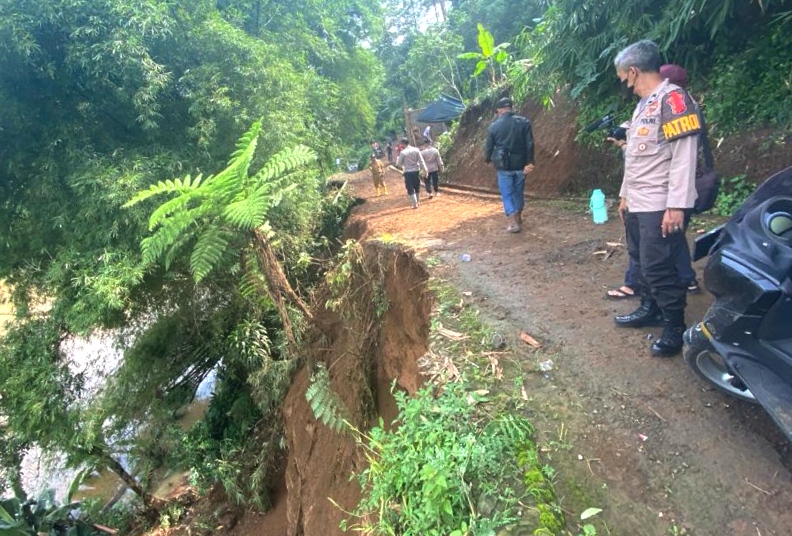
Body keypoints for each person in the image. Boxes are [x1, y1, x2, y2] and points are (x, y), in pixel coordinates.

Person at [610, 40, 701, 357]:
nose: (624, 84)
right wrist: (624, 195)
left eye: (623, 77)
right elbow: (636, 157)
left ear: (633, 71)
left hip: (661, 205)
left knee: (660, 266)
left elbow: (684, 157)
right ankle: (650, 308)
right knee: (641, 261)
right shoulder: (643, 105)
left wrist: (676, 205)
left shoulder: (674, 100)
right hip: (637, 202)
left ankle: (675, 325)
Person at [484, 97, 535, 233]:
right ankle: (518, 216)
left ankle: (512, 222)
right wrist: (530, 162)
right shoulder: (524, 122)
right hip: (521, 166)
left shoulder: (494, 126)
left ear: (499, 110)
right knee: (518, 192)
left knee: (507, 194)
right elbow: (529, 144)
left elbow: (489, 147)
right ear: (511, 108)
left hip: (503, 166)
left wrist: (487, 158)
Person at [395, 137, 427, 209]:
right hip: (416, 170)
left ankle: (415, 204)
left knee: (410, 187)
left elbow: (398, 164)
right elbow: (421, 160)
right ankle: (418, 201)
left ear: (403, 144)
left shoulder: (403, 153)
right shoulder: (416, 150)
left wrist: (398, 160)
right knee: (416, 186)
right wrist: (425, 169)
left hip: (408, 172)